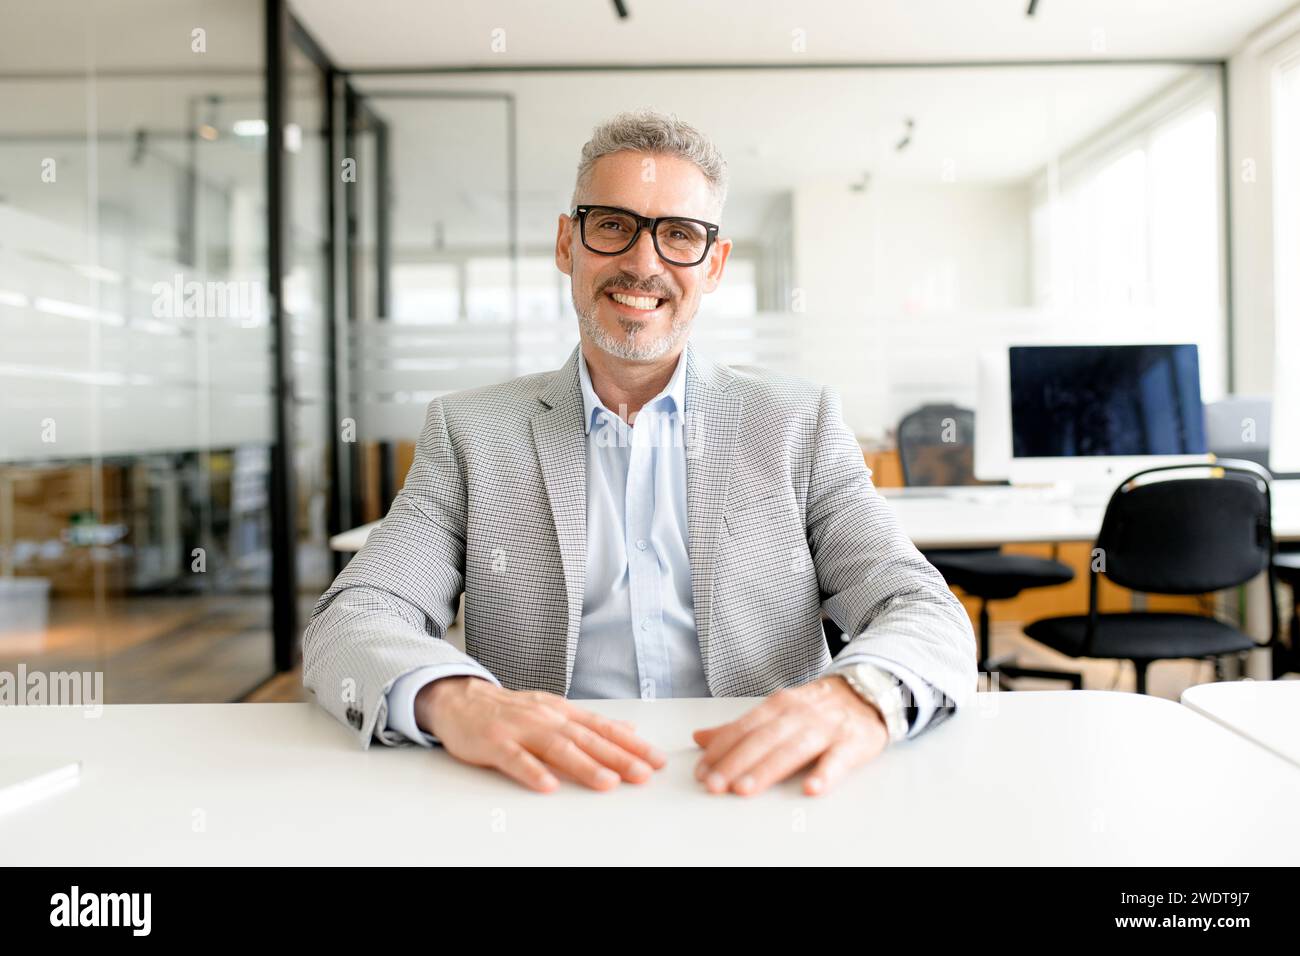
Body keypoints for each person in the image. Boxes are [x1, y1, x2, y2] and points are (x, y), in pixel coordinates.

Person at [303, 108, 976, 797]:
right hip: (544, 791)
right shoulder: (472, 432)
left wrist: (853, 697)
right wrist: (459, 700)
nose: (643, 262)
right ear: (567, 243)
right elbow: (354, 619)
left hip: (762, 790)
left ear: (713, 265)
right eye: (614, 225)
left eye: (678, 234)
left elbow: (920, 608)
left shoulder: (797, 423)